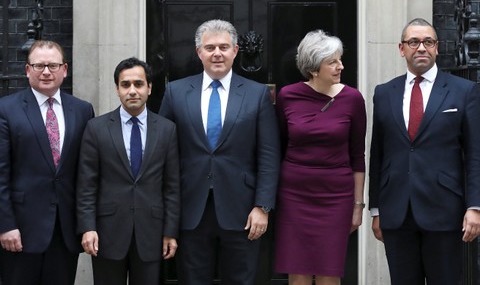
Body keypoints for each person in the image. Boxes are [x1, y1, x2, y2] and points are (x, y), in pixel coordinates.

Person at [158, 19, 280, 285]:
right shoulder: (175, 92)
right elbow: (162, 153)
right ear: (198, 52)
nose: (217, 53)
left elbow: (269, 155)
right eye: (210, 47)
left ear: (235, 51)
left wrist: (263, 206)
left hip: (243, 211)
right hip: (190, 209)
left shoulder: (256, 94)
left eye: (224, 47)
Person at [368, 18, 480, 285]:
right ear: (402, 49)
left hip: (445, 211)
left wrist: (476, 207)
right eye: (413, 42)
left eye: (428, 42)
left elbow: (476, 154)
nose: (420, 48)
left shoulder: (463, 91)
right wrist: (376, 209)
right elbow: (378, 153)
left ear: (437, 48)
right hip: (397, 212)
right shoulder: (384, 92)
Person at [273, 30, 366, 285]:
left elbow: (358, 156)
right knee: (298, 273)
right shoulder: (288, 96)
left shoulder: (353, 99)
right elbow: (279, 145)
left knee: (329, 273)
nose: (341, 66)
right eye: (333, 61)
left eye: (340, 59)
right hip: (294, 195)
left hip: (336, 196)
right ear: (314, 68)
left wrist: (358, 206)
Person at [76, 57, 180, 285]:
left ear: (150, 88)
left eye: (138, 84)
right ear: (117, 89)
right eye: (125, 85)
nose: (132, 91)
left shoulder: (166, 129)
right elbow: (86, 184)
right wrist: (87, 227)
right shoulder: (96, 128)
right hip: (107, 233)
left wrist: (170, 231)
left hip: (152, 233)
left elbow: (172, 186)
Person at [0, 40, 95, 285]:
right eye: (39, 65)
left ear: (65, 70)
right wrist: (5, 225)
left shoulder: (83, 110)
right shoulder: (6, 109)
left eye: (52, 66)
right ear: (27, 70)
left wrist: (87, 224)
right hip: (20, 229)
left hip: (64, 231)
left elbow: (87, 173)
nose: (46, 72)